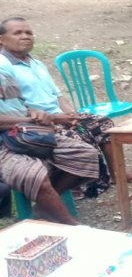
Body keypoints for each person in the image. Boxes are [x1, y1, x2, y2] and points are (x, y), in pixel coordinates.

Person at [0, 18, 132, 188]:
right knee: (79, 137)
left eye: (28, 32)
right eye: (18, 33)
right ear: (1, 39)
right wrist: (56, 118)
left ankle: (116, 173)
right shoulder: (5, 68)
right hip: (39, 122)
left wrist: (72, 115)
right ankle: (79, 184)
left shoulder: (36, 63)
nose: (25, 36)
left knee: (102, 123)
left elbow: (58, 95)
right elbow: (17, 107)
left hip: (59, 115)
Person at [0, 64, 99, 225]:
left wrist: (35, 113)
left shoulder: (4, 71)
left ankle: (43, 208)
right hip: (4, 144)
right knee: (34, 175)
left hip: (26, 133)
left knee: (85, 154)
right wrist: (30, 119)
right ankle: (71, 225)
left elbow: (20, 105)